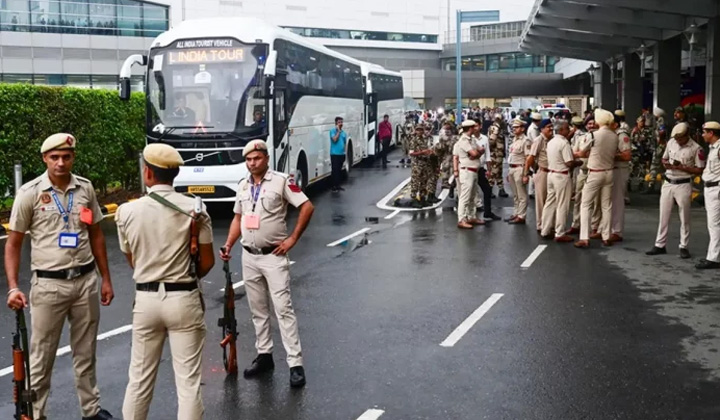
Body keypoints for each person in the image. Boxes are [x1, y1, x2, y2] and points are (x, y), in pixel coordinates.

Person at [4, 133, 116, 420]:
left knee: (86, 352)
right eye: (55, 157)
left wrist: (105, 278)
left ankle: (90, 411)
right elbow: (13, 243)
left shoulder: (85, 189)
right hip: (49, 285)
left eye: (66, 157)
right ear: (45, 159)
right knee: (41, 357)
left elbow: (96, 235)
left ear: (73, 157)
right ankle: (34, 413)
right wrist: (13, 287)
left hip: (85, 281)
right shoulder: (30, 193)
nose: (61, 162)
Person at [117, 144, 214, 420]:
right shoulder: (195, 208)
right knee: (188, 384)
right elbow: (206, 262)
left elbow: (132, 259)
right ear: (175, 175)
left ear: (147, 172)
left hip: (146, 300)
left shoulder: (126, 212)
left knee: (139, 380)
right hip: (184, 298)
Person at [220, 139, 314, 388]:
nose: (252, 164)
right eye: (248, 160)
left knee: (283, 309)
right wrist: (229, 244)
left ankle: (295, 364)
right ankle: (265, 356)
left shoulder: (282, 181)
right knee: (257, 310)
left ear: (266, 158)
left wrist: (292, 238)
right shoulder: (242, 185)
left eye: (257, 159)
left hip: (273, 256)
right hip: (248, 256)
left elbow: (306, 206)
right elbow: (238, 217)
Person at [646, 123, 705, 259]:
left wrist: (682, 168)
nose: (678, 141)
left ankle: (684, 246)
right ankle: (659, 244)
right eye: (677, 138)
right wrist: (666, 163)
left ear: (687, 135)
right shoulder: (671, 142)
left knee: (684, 216)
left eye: (681, 138)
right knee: (663, 215)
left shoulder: (696, 148)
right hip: (668, 181)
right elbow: (664, 157)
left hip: (683, 183)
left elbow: (699, 169)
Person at [574, 109, 619, 248]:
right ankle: (606, 236)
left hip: (595, 173)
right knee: (607, 206)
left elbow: (582, 152)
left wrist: (574, 154)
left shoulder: (593, 135)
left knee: (586, 204)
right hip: (609, 172)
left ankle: (584, 237)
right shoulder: (614, 136)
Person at [540, 120, 578, 242]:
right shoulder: (564, 143)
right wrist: (578, 162)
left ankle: (545, 229)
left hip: (551, 174)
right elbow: (569, 162)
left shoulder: (551, 142)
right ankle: (560, 233)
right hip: (562, 175)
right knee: (562, 204)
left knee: (550, 203)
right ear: (561, 130)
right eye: (567, 128)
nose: (569, 130)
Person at [568, 117, 601, 235]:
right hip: (583, 171)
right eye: (589, 124)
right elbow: (574, 153)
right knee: (578, 199)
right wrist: (585, 154)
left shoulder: (600, 138)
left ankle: (595, 226)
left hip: (595, 172)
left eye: (593, 123)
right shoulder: (581, 138)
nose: (591, 126)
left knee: (596, 201)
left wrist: (584, 153)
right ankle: (576, 224)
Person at [697, 122, 720, 269]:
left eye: (705, 132)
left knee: (714, 225)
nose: (703, 135)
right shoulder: (713, 148)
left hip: (716, 189)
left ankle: (713, 258)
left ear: (711, 133)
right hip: (710, 188)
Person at [454, 120, 485, 229]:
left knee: (472, 196)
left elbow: (481, 149)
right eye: (474, 127)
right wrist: (476, 153)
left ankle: (471, 216)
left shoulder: (471, 139)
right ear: (470, 128)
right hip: (467, 171)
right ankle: (461, 219)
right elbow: (475, 152)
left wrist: (476, 154)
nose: (476, 128)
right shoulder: (463, 140)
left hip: (473, 170)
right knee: (465, 197)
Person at [525, 119, 553, 232]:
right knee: (541, 200)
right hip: (542, 172)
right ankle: (541, 224)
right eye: (548, 127)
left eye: (551, 126)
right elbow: (530, 158)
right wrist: (528, 172)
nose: (551, 129)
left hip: (551, 172)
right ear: (542, 129)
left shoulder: (551, 140)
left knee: (550, 200)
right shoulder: (538, 140)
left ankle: (549, 224)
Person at [610, 110, 633, 242]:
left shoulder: (622, 135)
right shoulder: (612, 134)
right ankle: (609, 228)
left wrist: (610, 154)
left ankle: (617, 231)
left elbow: (627, 155)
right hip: (612, 169)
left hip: (620, 169)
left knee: (618, 201)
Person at [506, 119, 532, 224]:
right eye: (513, 127)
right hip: (512, 168)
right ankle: (516, 213)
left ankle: (521, 215)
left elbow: (528, 158)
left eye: (516, 127)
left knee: (522, 194)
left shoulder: (526, 141)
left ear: (522, 128)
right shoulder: (514, 139)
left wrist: (526, 174)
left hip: (520, 168)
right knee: (515, 194)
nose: (514, 129)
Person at [474, 123, 501, 221]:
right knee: (470, 192)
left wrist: (489, 170)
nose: (475, 128)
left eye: (477, 126)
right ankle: (468, 216)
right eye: (473, 126)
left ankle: (488, 212)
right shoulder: (469, 139)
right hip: (471, 168)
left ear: (480, 126)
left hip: (481, 168)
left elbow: (487, 155)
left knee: (487, 189)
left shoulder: (484, 138)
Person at [409, 125, 433, 207]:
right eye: (418, 130)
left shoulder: (424, 139)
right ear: (415, 131)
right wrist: (422, 152)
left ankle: (422, 198)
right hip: (417, 164)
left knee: (424, 181)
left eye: (421, 130)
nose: (419, 131)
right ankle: (414, 199)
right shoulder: (413, 140)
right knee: (415, 181)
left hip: (424, 163)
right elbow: (411, 153)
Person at [488, 114, 508, 198]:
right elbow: (491, 142)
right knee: (493, 172)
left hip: (499, 153)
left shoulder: (501, 128)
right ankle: (490, 189)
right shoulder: (494, 128)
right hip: (495, 154)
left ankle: (501, 189)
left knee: (499, 172)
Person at [436, 122, 457, 189]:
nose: (447, 129)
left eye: (448, 127)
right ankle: (444, 182)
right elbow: (441, 145)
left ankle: (453, 183)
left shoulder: (454, 135)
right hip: (446, 154)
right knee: (445, 168)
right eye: (445, 127)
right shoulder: (442, 135)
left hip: (453, 154)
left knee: (454, 170)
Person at [527, 112, 542, 199]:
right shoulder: (533, 129)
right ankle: (531, 191)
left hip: (533, 151)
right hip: (533, 152)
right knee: (534, 171)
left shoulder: (535, 128)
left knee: (534, 171)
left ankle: (531, 190)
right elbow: (535, 141)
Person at [329, 116, 347, 193]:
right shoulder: (332, 131)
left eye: (341, 122)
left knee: (339, 170)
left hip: (341, 154)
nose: (341, 124)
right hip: (334, 154)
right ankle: (333, 186)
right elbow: (334, 140)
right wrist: (338, 132)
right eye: (339, 122)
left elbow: (344, 143)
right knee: (335, 170)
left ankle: (338, 185)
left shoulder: (344, 133)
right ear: (336, 123)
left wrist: (344, 152)